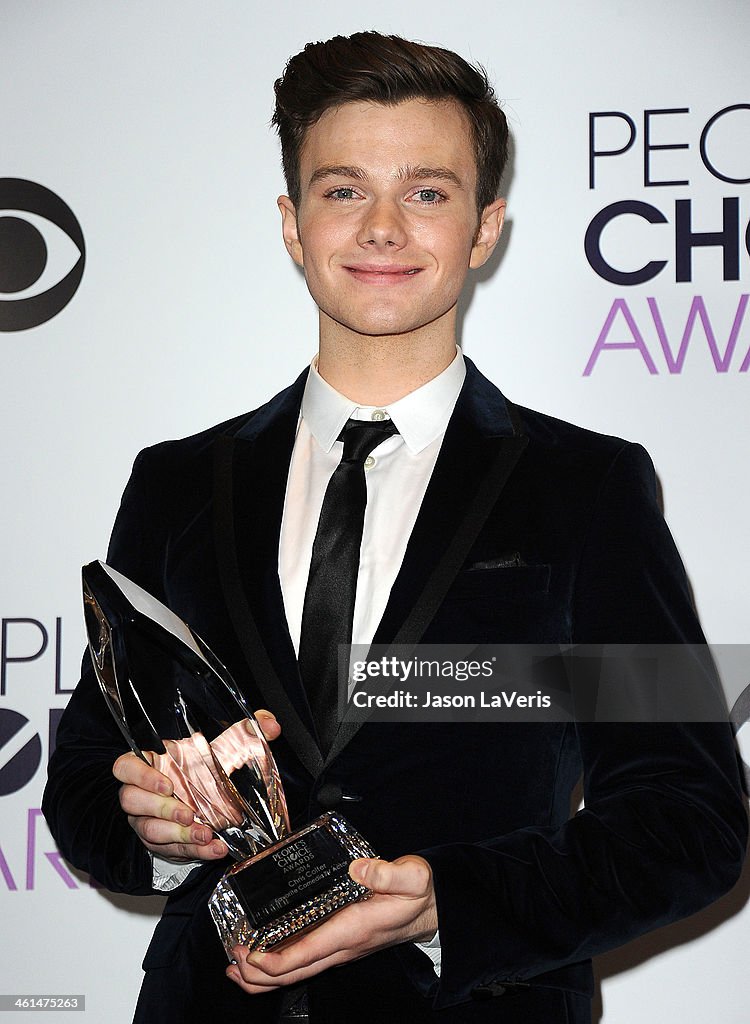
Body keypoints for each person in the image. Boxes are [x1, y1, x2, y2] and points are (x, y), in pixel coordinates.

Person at [43, 31, 747, 1024]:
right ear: (292, 225)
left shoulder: (590, 488)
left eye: (426, 192)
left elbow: (692, 817)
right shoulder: (177, 484)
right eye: (342, 191)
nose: (382, 228)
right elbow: (83, 778)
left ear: (485, 225)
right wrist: (155, 825)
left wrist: (445, 905)